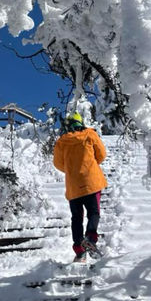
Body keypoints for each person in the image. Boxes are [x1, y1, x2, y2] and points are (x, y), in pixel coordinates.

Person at [53, 109, 108, 261]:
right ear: (81, 124)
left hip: (74, 186)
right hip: (91, 181)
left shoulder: (61, 141)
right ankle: (90, 237)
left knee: (76, 218)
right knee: (94, 213)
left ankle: (79, 249)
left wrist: (72, 170)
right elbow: (102, 155)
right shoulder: (90, 134)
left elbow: (58, 164)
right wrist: (90, 165)